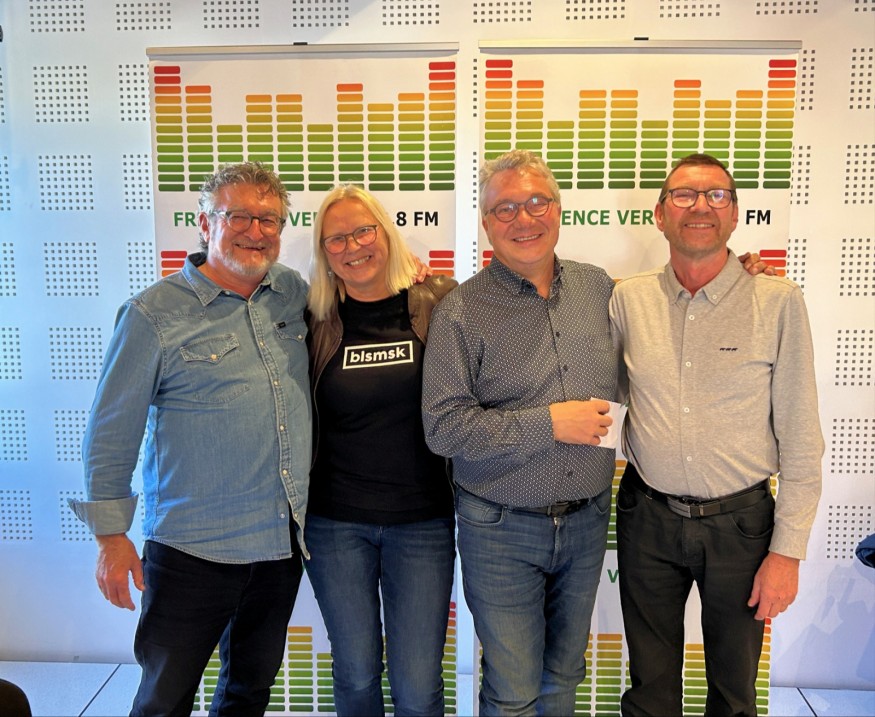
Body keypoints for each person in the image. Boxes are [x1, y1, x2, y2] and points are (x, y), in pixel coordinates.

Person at [68, 162, 311, 716]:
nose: (255, 231)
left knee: (248, 692)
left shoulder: (289, 293)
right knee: (164, 699)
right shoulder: (152, 314)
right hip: (190, 551)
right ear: (205, 223)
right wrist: (111, 538)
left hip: (278, 546)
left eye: (269, 220)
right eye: (239, 216)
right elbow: (110, 431)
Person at [610, 153, 824, 716]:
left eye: (716, 195)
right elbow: (604, 390)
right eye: (683, 195)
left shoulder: (778, 302)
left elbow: (802, 439)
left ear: (734, 215)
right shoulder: (628, 300)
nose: (700, 206)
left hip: (742, 527)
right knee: (649, 689)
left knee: (734, 694)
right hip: (647, 517)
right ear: (660, 215)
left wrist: (788, 553)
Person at [421, 149, 618, 716]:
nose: (523, 219)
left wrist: (734, 270)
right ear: (486, 224)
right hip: (500, 527)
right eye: (505, 208)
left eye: (537, 202)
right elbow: (444, 428)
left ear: (558, 209)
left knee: (564, 676)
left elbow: (666, 305)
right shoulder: (461, 311)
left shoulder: (598, 287)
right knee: (512, 691)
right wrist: (550, 422)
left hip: (587, 520)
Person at [305, 184, 456, 717]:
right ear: (324, 253)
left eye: (364, 231)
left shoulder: (438, 301)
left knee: (418, 686)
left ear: (386, 235)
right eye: (337, 239)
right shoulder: (311, 318)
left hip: (422, 522)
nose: (353, 246)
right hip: (334, 524)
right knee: (355, 674)